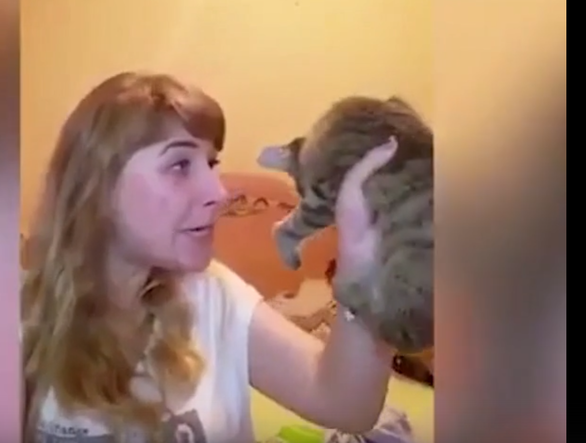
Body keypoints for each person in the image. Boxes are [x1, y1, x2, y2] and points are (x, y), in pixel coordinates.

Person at [21, 72, 399, 443]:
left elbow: (347, 406)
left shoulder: (213, 295)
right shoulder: (18, 317)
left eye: (211, 163)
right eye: (180, 165)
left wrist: (364, 264)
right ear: (99, 184)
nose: (218, 193)